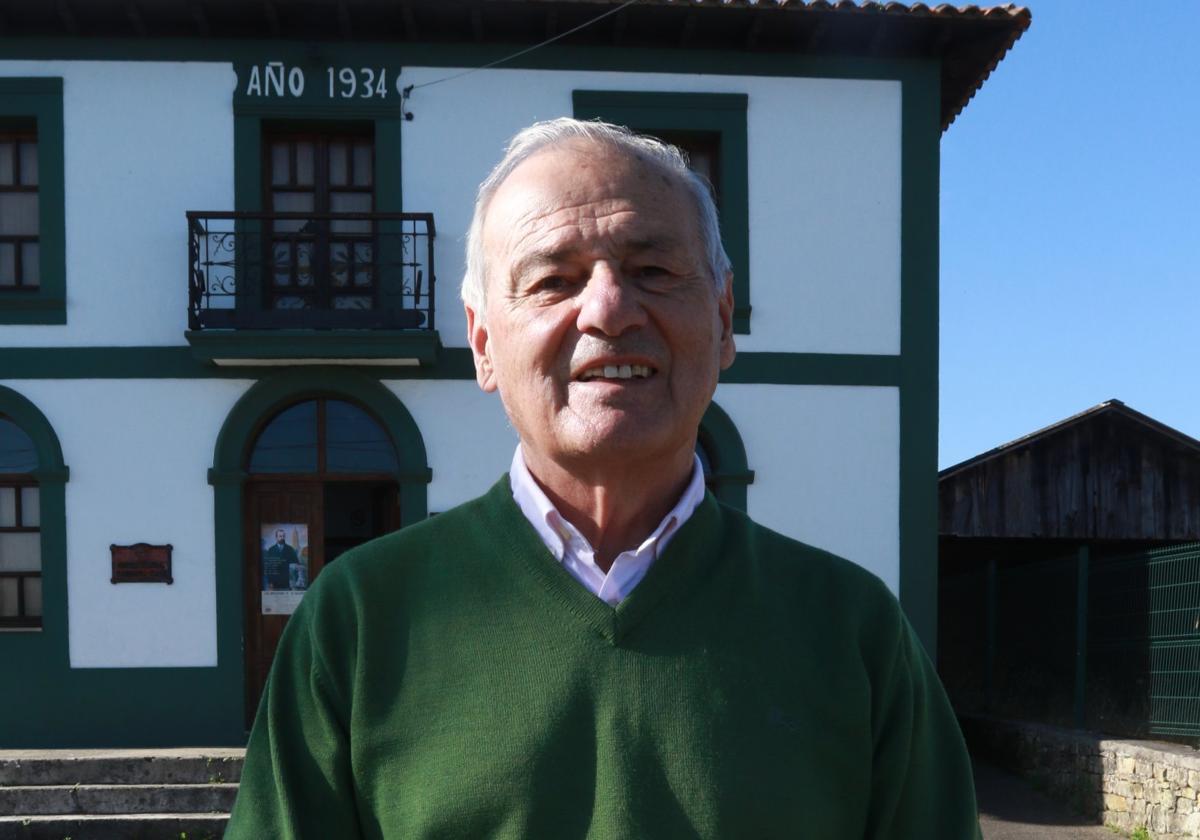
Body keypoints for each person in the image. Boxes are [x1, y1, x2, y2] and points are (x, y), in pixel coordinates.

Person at [226, 118, 981, 839]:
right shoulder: (356, 622)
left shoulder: (854, 632)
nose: (610, 310)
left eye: (652, 269)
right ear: (483, 342)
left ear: (723, 321)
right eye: (554, 279)